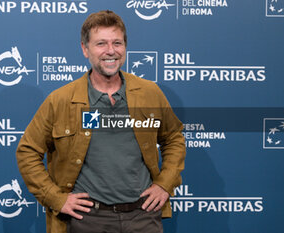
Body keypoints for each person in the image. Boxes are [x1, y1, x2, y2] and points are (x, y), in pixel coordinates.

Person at [16, 10, 186, 233]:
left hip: (143, 217)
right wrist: (57, 199)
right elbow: (27, 151)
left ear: (125, 47)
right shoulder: (61, 100)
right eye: (101, 44)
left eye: (117, 43)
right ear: (85, 49)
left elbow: (173, 137)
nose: (110, 51)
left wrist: (165, 184)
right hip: (86, 220)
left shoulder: (149, 93)